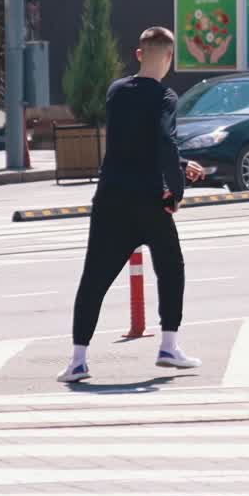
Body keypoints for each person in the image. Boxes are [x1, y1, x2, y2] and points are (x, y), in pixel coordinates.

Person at [57, 26, 205, 383]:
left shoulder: (115, 91)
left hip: (110, 199)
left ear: (139, 54)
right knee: (172, 267)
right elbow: (163, 142)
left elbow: (132, 142)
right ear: (170, 58)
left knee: (94, 277)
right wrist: (178, 189)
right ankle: (169, 345)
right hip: (150, 200)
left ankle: (77, 360)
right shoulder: (166, 97)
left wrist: (181, 165)